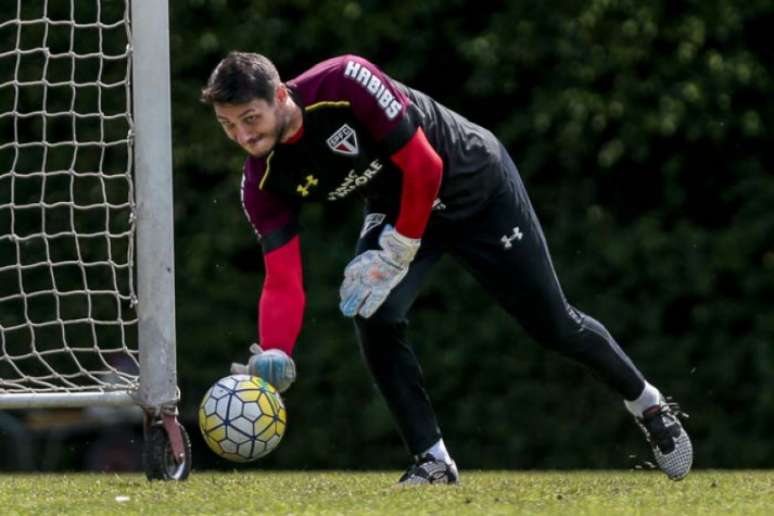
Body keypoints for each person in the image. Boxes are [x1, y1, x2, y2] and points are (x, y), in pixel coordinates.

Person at [200, 52, 693, 484]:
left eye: (250, 118)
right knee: (373, 314)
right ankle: (432, 460)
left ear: (281, 94)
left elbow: (426, 167)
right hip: (399, 209)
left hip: (474, 185)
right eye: (228, 125)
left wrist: (399, 249)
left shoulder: (344, 81)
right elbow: (283, 279)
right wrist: (277, 351)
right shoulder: (259, 182)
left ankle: (649, 404)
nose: (244, 135)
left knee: (553, 324)